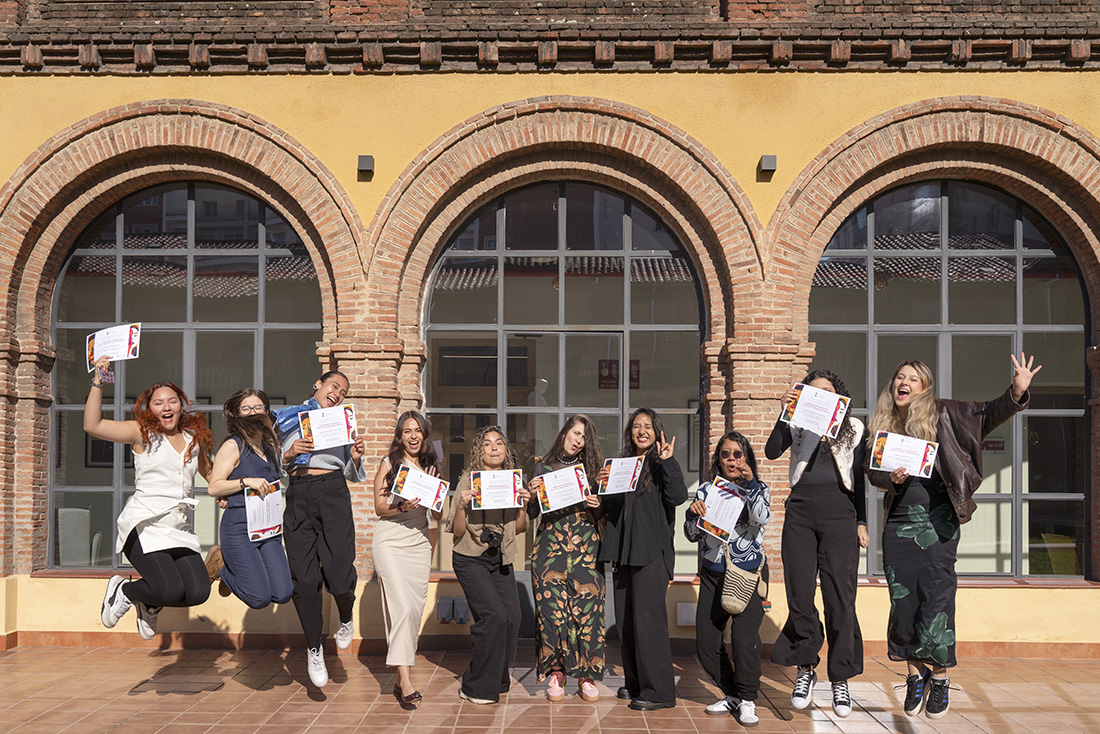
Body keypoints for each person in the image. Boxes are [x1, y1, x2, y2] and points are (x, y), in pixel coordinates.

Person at [867, 353, 1040, 719]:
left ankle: (941, 676)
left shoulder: (946, 414)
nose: (904, 383)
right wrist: (889, 478)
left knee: (937, 596)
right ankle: (914, 675)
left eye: (913, 378)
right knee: (904, 601)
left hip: (938, 521)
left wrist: (1016, 391)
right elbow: (874, 474)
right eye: (900, 377)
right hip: (899, 525)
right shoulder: (884, 424)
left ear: (925, 387)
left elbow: (988, 414)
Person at [85, 356, 213, 640]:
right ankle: (125, 590)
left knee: (198, 592)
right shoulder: (142, 434)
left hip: (179, 528)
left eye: (172, 401)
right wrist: (98, 381)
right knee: (168, 589)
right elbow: (93, 425)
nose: (166, 407)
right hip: (144, 525)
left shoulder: (194, 440)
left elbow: (213, 476)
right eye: (158, 402)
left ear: (181, 405)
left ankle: (149, 602)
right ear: (150, 409)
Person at [766, 370, 869, 717]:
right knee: (798, 592)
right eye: (813, 391)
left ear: (838, 395)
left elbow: (860, 481)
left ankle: (840, 676)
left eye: (827, 391)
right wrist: (784, 413)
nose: (821, 395)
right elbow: (770, 452)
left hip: (840, 513)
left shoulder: (854, 428)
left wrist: (861, 521)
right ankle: (805, 665)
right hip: (800, 511)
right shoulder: (796, 423)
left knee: (840, 596)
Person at [275, 371, 366, 688]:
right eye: (334, 386)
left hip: (332, 491)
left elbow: (353, 474)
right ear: (318, 384)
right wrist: (289, 453)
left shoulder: (343, 422)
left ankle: (345, 614)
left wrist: (354, 457)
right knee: (305, 578)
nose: (338, 393)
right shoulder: (289, 418)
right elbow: (275, 464)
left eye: (343, 391)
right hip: (299, 493)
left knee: (340, 573)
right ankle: (314, 647)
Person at [597, 408, 688, 711]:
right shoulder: (621, 465)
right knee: (627, 624)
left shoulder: (661, 465)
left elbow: (677, 497)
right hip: (624, 553)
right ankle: (635, 682)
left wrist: (668, 462)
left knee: (649, 624)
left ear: (657, 431)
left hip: (651, 554)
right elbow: (611, 510)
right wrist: (602, 487)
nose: (642, 431)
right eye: (636, 426)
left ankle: (659, 690)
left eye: (648, 426)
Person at [684, 431, 770, 727]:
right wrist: (693, 515)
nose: (732, 459)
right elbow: (692, 535)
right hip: (712, 573)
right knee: (706, 642)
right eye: (725, 454)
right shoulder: (707, 489)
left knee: (745, 641)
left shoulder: (759, 489)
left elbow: (761, 519)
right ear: (718, 459)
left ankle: (748, 700)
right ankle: (731, 693)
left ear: (746, 458)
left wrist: (752, 484)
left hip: (747, 574)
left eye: (738, 454)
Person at [442, 425, 531, 705]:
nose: (493, 448)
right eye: (487, 444)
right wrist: (461, 507)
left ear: (506, 451)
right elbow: (456, 532)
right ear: (479, 451)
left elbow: (518, 529)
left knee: (512, 618)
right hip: (470, 557)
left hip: (501, 556)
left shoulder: (514, 482)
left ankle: (498, 678)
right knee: (493, 618)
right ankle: (475, 686)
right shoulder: (468, 480)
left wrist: (523, 507)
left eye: (499, 443)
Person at [527, 414, 606, 702]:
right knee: (552, 614)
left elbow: (601, 516)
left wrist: (597, 505)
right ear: (564, 433)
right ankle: (555, 674)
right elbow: (533, 513)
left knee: (588, 613)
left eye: (583, 436)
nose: (577, 439)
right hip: (550, 551)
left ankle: (586, 677)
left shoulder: (593, 471)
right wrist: (532, 496)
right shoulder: (542, 467)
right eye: (574, 432)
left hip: (586, 551)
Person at [372, 410, 441, 706]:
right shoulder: (389, 464)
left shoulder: (431, 466)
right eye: (407, 431)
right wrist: (402, 507)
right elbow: (378, 507)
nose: (413, 436)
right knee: (400, 608)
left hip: (418, 542)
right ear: (400, 436)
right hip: (390, 539)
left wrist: (431, 493)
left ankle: (400, 681)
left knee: (412, 611)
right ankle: (407, 679)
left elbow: (438, 514)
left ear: (424, 435)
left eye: (418, 431)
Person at [204, 389, 293, 609]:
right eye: (246, 408)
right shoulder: (233, 446)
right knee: (259, 599)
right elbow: (214, 486)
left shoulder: (271, 447)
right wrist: (245, 481)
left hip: (268, 528)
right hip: (240, 528)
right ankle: (221, 565)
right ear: (236, 414)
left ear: (266, 412)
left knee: (283, 593)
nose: (252, 412)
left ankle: (230, 577)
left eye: (257, 407)